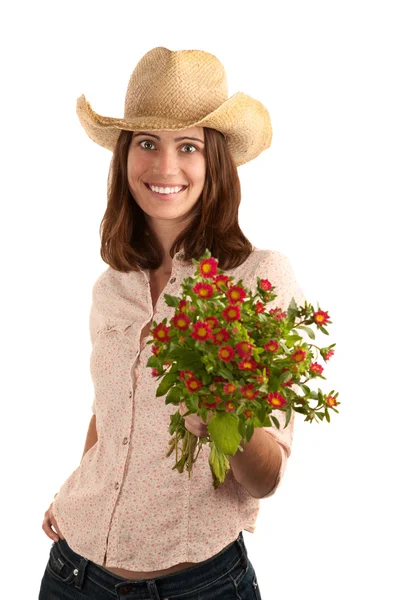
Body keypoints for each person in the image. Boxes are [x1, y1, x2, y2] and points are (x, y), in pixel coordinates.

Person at [39, 46, 305, 599]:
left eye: (187, 146)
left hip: (199, 585)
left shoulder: (258, 281)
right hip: (72, 574)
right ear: (124, 156)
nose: (164, 167)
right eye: (146, 143)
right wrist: (78, 492)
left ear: (215, 161)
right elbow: (110, 414)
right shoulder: (111, 288)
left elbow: (267, 477)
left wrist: (222, 412)